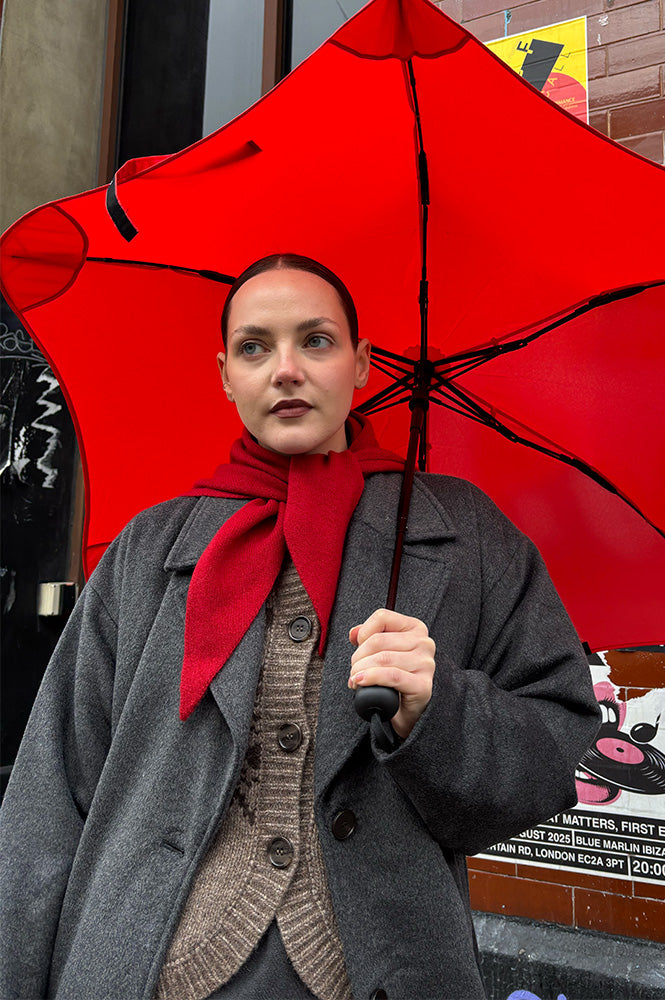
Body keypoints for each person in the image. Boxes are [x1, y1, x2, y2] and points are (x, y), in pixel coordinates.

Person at [0, 253, 600, 1000]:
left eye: (315, 341)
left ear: (361, 364)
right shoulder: (148, 549)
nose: (285, 369)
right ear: (226, 374)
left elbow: (551, 746)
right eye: (255, 347)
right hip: (141, 963)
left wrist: (437, 708)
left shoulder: (467, 538)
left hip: (384, 968)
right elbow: (50, 794)